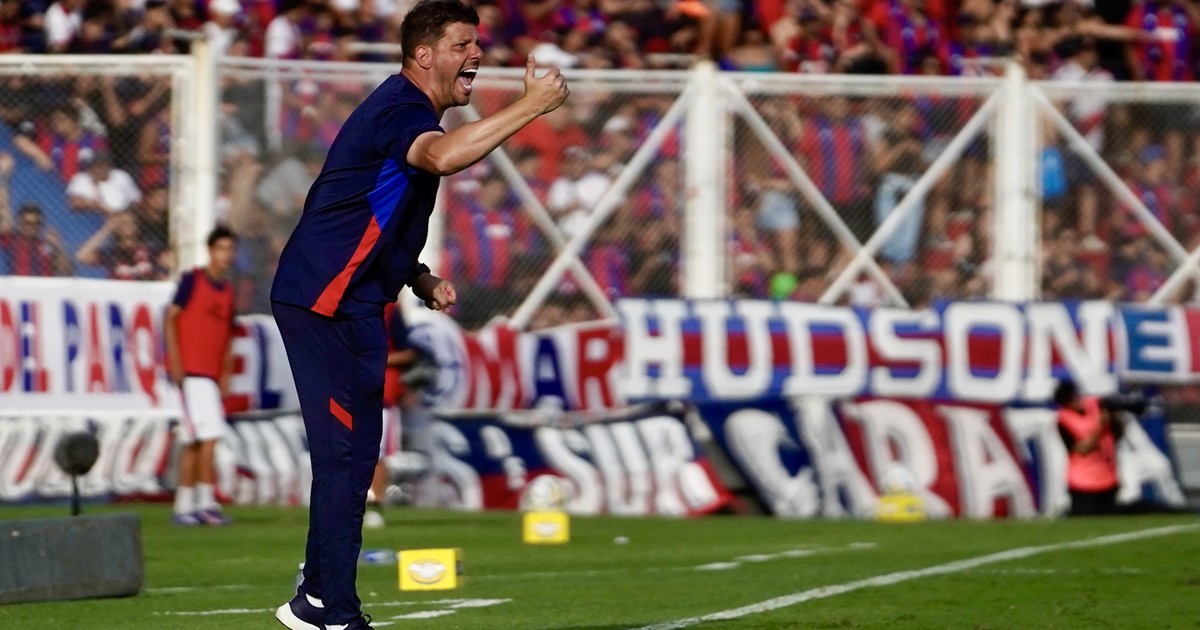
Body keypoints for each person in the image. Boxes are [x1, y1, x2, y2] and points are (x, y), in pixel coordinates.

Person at [269, 1, 568, 628]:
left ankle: (315, 599)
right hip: (324, 300)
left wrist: (416, 274)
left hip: (353, 301)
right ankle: (334, 610)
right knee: (344, 456)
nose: (476, 54)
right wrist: (531, 106)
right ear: (423, 54)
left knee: (356, 456)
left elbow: (368, 206)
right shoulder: (401, 109)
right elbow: (441, 158)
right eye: (462, 44)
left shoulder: (408, 110)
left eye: (477, 43)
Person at [166, 226, 238, 527]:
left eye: (230, 249)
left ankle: (186, 506)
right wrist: (175, 360)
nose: (226, 255)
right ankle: (205, 503)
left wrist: (226, 373)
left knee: (196, 440)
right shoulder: (193, 280)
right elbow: (171, 317)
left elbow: (227, 336)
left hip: (210, 374)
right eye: (221, 248)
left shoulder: (228, 292)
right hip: (192, 372)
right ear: (210, 250)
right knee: (207, 437)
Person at [1054, 379, 1124, 517]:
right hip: (1083, 482)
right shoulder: (1064, 419)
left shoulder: (1096, 405)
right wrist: (1100, 427)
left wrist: (1115, 418)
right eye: (1073, 397)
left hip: (1107, 477)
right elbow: (1082, 449)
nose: (1078, 399)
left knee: (1111, 521)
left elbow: (1117, 433)